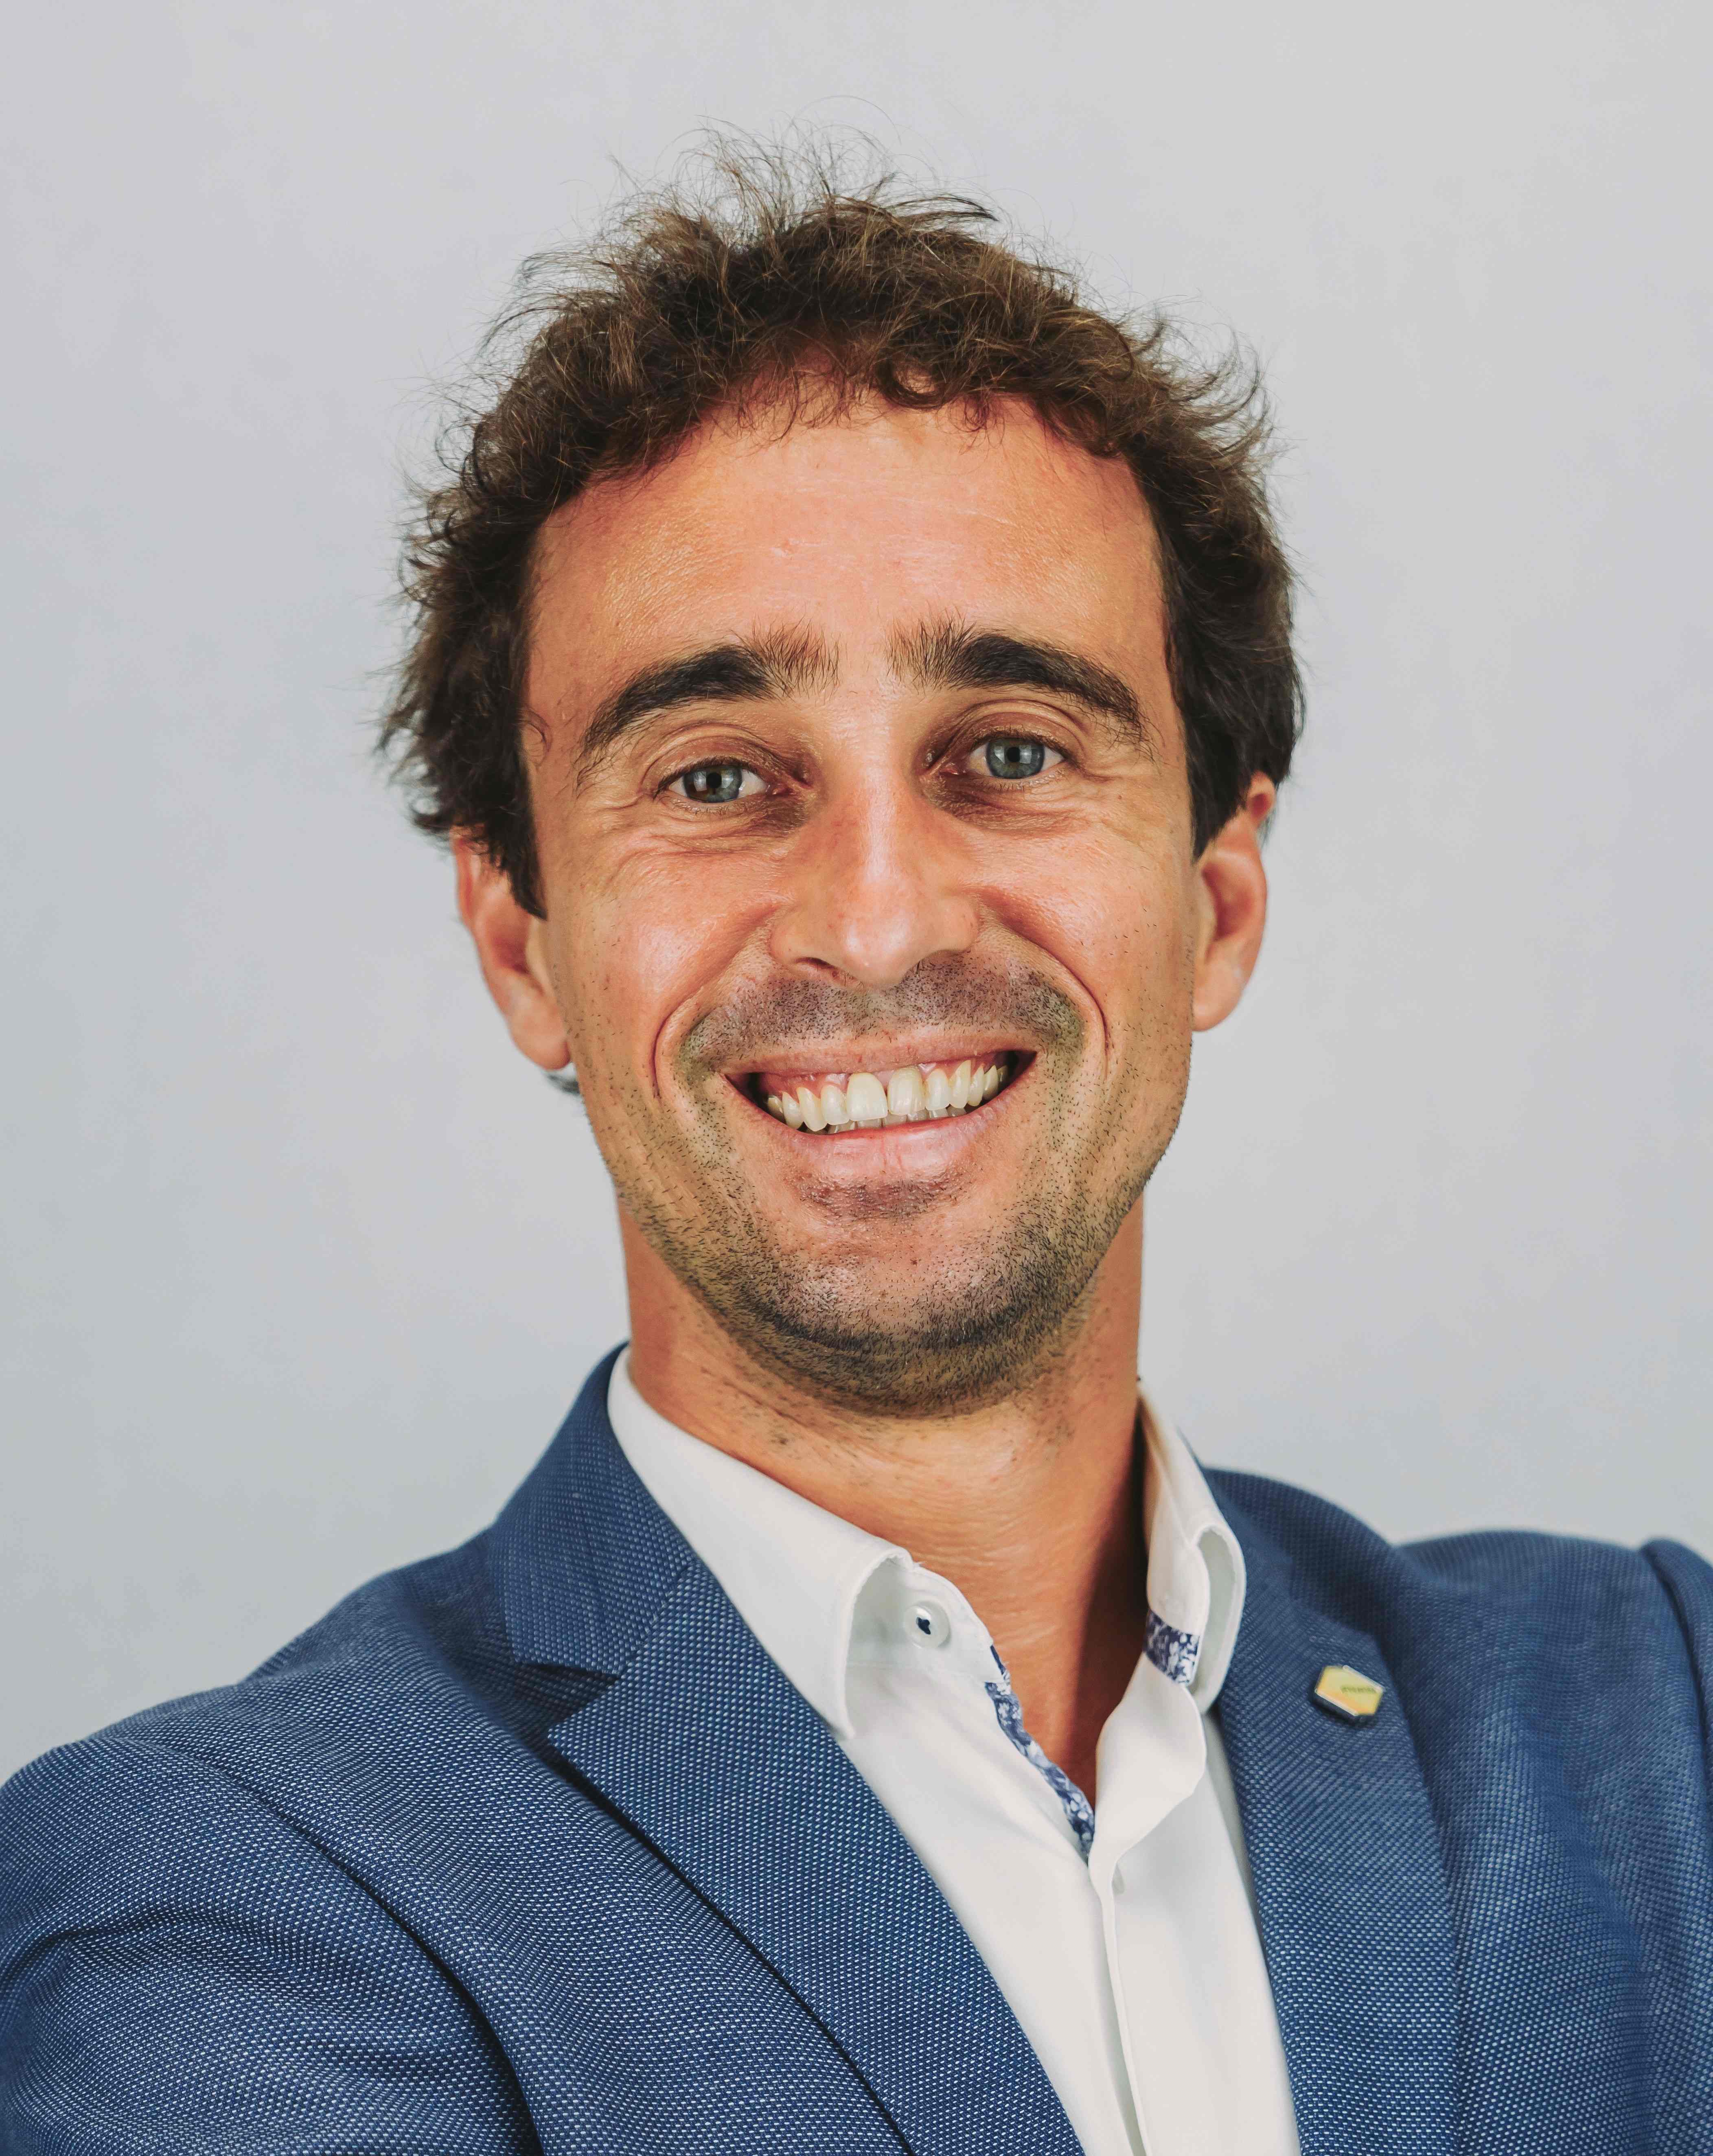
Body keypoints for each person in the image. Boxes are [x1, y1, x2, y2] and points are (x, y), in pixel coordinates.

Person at [3, 151, 1710, 2156]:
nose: (877, 921)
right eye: (719, 777)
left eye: (1010, 751)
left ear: (1216, 900)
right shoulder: (226, 1904)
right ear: (523, 944)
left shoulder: (1654, 1725)